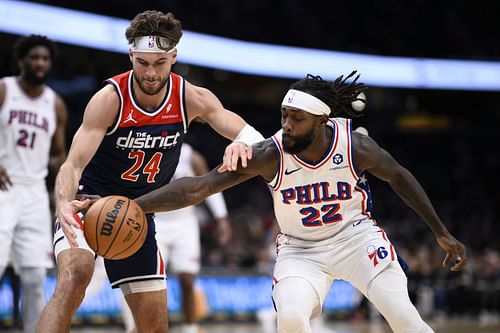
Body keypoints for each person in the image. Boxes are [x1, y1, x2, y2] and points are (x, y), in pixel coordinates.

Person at [134, 72, 468, 333]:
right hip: (301, 250)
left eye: (297, 118)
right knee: (291, 318)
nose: (286, 125)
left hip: (355, 239)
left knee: (404, 317)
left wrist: (440, 232)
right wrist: (136, 204)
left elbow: (399, 177)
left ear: (322, 121)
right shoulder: (269, 154)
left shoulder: (355, 147)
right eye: (284, 116)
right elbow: (198, 188)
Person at [35, 10, 263, 333]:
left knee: (155, 326)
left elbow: (250, 135)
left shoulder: (190, 98)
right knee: (75, 279)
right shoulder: (110, 99)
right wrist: (62, 202)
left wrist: (242, 143)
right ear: (131, 56)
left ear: (174, 57)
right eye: (142, 62)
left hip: (138, 216)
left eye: (159, 62)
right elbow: (72, 164)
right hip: (89, 205)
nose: (151, 72)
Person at [122, 143, 231, 333]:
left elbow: (210, 188)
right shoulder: (147, 153)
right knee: (148, 283)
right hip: (154, 222)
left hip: (185, 223)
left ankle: (190, 328)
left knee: (188, 281)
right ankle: (138, 327)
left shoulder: (191, 156)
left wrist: (222, 219)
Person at [0, 34, 67, 333]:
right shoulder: (4, 89)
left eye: (45, 58)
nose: (40, 63)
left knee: (34, 276)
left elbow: (57, 154)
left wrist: (65, 177)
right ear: (21, 61)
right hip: (3, 188)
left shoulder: (55, 104)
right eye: (34, 57)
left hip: (35, 194)